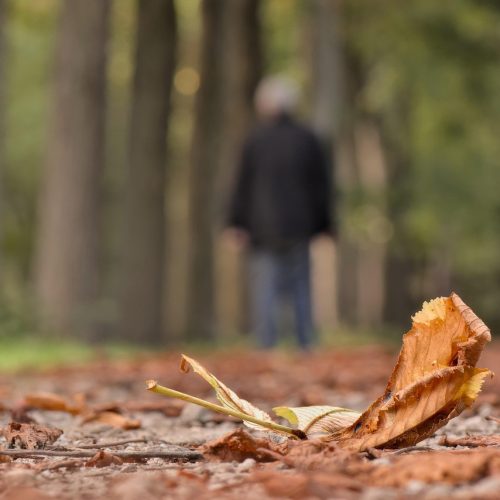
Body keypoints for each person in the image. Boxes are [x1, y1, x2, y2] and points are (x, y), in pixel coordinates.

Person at [226, 76, 334, 350]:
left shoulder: (255, 140)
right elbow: (322, 186)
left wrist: (236, 223)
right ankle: (305, 342)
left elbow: (242, 186)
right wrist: (325, 225)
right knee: (301, 288)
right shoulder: (308, 139)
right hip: (300, 226)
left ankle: (266, 346)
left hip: (263, 228)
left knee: (265, 289)